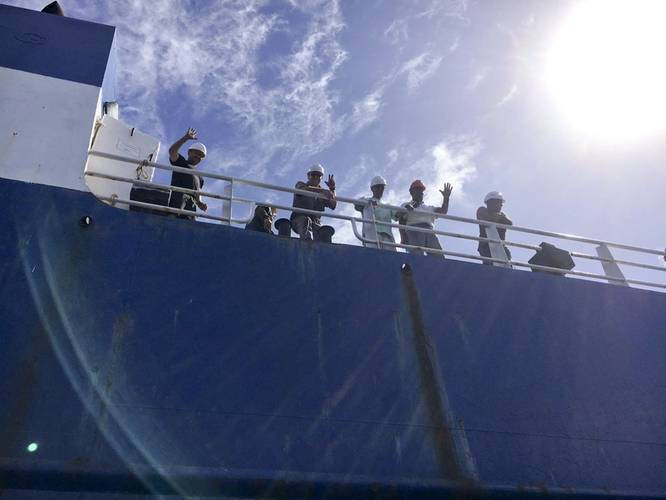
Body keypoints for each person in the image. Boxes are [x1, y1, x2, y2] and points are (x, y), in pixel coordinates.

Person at [395, 180, 452, 256]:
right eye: (418, 190)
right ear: (412, 192)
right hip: (414, 230)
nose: (420, 192)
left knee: (438, 257)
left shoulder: (428, 208)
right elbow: (398, 217)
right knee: (417, 256)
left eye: (421, 190)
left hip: (429, 231)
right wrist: (406, 210)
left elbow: (443, 211)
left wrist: (446, 198)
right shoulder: (406, 205)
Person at [168, 127, 208, 220]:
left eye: (201, 156)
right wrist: (185, 138)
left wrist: (200, 203)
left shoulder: (200, 177)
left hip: (190, 211)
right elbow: (172, 151)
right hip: (177, 204)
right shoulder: (181, 162)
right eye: (196, 153)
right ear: (189, 152)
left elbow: (198, 194)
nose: (198, 156)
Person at [290, 164, 336, 240]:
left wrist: (332, 189)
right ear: (308, 176)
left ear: (321, 178)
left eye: (318, 176)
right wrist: (322, 191)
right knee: (306, 221)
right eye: (313, 175)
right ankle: (307, 245)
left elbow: (333, 205)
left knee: (324, 232)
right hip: (298, 220)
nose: (315, 177)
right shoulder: (300, 184)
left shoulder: (323, 193)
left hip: (316, 224)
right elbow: (302, 190)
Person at [354, 175, 396, 250]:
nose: (380, 189)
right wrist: (369, 203)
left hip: (387, 236)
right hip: (372, 234)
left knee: (390, 257)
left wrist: (407, 209)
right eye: (377, 187)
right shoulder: (366, 201)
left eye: (382, 187)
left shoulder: (387, 205)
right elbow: (357, 205)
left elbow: (398, 215)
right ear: (372, 189)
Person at [476, 191, 512, 264]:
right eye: (499, 202)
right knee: (490, 266)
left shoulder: (502, 214)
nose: (501, 205)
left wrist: (497, 217)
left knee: (507, 266)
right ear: (491, 202)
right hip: (486, 245)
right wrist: (499, 218)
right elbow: (489, 218)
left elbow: (510, 223)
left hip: (501, 246)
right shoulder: (481, 210)